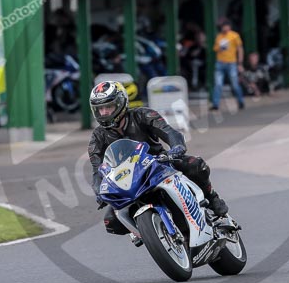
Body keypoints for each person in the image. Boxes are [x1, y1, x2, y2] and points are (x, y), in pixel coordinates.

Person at [88, 80, 229, 236]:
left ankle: (212, 198)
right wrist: (99, 192)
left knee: (195, 165)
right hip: (128, 179)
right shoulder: (97, 137)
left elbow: (170, 132)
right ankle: (146, 231)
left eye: (109, 107)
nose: (105, 113)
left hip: (160, 163)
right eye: (100, 109)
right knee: (111, 221)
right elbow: (97, 169)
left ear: (121, 103)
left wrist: (176, 148)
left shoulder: (143, 115)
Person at [211, 19, 245, 111]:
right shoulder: (219, 36)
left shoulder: (234, 35)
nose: (224, 28)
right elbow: (215, 48)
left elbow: (240, 49)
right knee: (218, 84)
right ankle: (215, 104)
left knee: (235, 84)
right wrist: (220, 47)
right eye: (223, 26)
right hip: (220, 63)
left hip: (231, 63)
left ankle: (241, 101)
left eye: (226, 26)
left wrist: (240, 63)